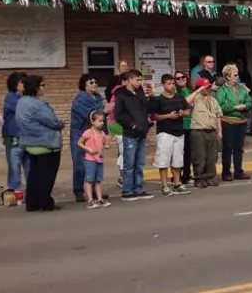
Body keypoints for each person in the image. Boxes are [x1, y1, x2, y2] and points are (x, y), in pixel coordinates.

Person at [16, 75, 66, 213]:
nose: (44, 88)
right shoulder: (37, 104)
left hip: (31, 143)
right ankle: (45, 202)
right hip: (46, 144)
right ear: (35, 87)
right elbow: (53, 122)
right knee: (46, 176)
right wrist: (61, 124)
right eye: (42, 85)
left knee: (34, 175)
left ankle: (32, 203)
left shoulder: (21, 102)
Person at [149, 73, 201, 196]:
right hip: (165, 133)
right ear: (163, 85)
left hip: (179, 132)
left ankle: (177, 183)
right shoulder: (158, 99)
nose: (172, 86)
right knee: (164, 160)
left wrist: (183, 113)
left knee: (177, 160)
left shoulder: (179, 97)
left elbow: (188, 110)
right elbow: (154, 116)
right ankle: (164, 185)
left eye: (173, 83)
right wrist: (168, 116)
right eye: (169, 83)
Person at [114, 69, 153, 201]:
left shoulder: (140, 92)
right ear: (129, 80)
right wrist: (132, 125)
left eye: (140, 80)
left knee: (140, 163)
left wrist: (147, 122)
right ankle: (127, 191)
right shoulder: (121, 95)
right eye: (137, 80)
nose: (139, 82)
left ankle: (138, 189)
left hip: (142, 132)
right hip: (130, 133)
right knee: (129, 164)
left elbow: (145, 109)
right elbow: (118, 115)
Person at [70, 74, 108, 203]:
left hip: (95, 133)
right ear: (84, 85)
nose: (94, 84)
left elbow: (101, 119)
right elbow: (90, 116)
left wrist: (105, 133)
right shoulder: (80, 99)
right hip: (81, 132)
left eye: (96, 82)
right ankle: (79, 191)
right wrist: (105, 112)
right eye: (91, 82)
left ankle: (93, 190)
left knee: (95, 162)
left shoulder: (97, 97)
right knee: (80, 163)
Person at [217, 63, 252, 181]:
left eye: (237, 75)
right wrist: (235, 107)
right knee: (227, 148)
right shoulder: (222, 90)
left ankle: (238, 171)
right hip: (228, 122)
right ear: (227, 76)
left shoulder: (242, 89)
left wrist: (245, 106)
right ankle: (226, 172)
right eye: (234, 75)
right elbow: (220, 106)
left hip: (241, 122)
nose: (237, 77)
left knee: (238, 148)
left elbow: (249, 101)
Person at [189, 77, 223, 188]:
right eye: (205, 86)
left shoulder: (212, 100)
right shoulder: (195, 99)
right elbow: (185, 102)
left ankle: (210, 177)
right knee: (199, 156)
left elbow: (218, 115)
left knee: (212, 156)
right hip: (198, 131)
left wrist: (219, 130)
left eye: (209, 86)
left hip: (212, 131)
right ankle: (199, 178)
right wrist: (197, 91)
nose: (208, 89)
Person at [2, 71, 29, 201]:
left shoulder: (27, 97)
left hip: (27, 138)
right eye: (21, 82)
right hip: (13, 138)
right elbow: (23, 107)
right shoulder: (10, 97)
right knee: (14, 167)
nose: (24, 84)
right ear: (14, 84)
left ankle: (30, 193)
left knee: (29, 166)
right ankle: (16, 194)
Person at [77, 111, 111, 208]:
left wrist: (107, 144)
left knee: (98, 180)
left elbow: (105, 143)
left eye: (103, 121)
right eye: (100, 121)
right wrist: (89, 149)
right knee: (89, 180)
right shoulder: (88, 132)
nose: (102, 123)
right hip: (90, 159)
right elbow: (79, 143)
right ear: (92, 121)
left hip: (99, 160)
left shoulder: (102, 133)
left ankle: (100, 199)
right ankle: (90, 200)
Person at [174, 72, 194, 184]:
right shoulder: (176, 92)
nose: (181, 79)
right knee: (178, 152)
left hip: (191, 124)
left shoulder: (191, 90)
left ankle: (187, 175)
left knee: (188, 152)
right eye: (178, 78)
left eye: (183, 77)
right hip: (180, 124)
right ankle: (177, 176)